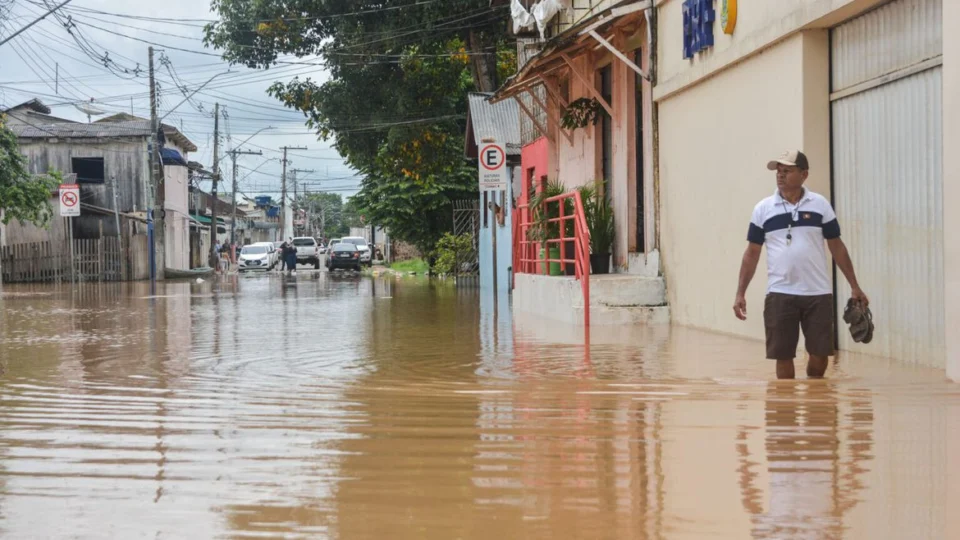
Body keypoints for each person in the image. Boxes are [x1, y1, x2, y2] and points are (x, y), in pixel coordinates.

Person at [733, 150, 869, 380]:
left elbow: (836, 246)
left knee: (820, 356)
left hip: (818, 293)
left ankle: (814, 399)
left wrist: (855, 286)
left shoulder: (820, 205)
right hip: (779, 294)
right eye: (779, 171)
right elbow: (751, 254)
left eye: (787, 171)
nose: (781, 175)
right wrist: (740, 293)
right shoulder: (763, 209)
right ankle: (787, 410)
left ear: (804, 174)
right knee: (783, 356)